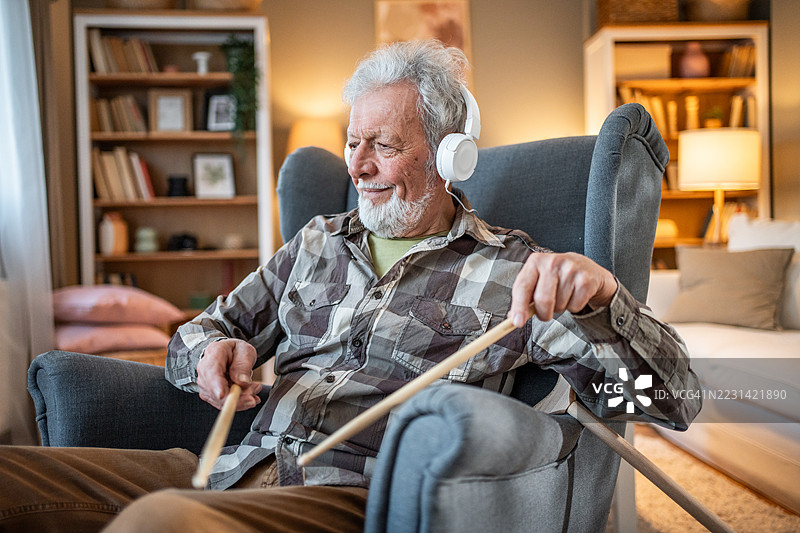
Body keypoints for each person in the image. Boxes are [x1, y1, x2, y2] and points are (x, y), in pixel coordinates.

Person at [0, 40, 701, 532]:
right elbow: (200, 331)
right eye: (352, 142)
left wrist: (605, 299)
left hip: (345, 499)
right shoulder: (316, 242)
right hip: (232, 467)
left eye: (384, 146)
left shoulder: (513, 272)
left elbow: (668, 401)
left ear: (450, 157)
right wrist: (210, 355)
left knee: (163, 522)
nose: (358, 166)